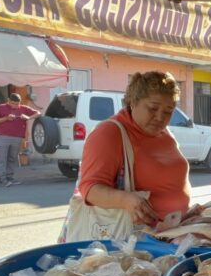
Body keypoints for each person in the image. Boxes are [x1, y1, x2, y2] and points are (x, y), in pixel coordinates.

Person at [77, 71, 190, 227]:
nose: (160, 117)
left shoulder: (163, 132)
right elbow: (90, 190)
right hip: (136, 239)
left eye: (168, 111)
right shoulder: (109, 133)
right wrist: (126, 200)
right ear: (133, 102)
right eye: (152, 108)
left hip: (174, 231)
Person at [0, 92, 39, 186]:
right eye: (13, 103)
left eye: (17, 104)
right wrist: (6, 118)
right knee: (1, 158)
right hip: (3, 137)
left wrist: (28, 117)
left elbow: (38, 113)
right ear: (8, 100)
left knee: (12, 158)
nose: (15, 106)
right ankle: (2, 179)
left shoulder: (23, 108)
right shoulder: (1, 107)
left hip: (17, 137)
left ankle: (10, 178)